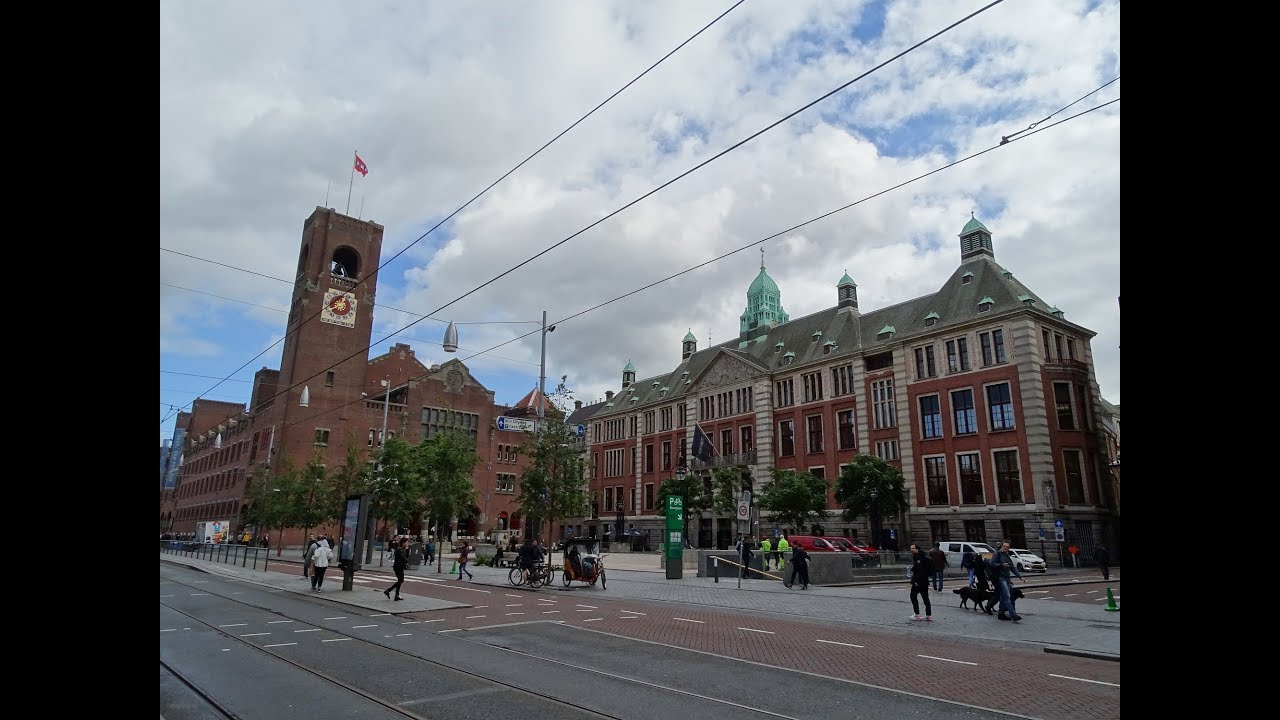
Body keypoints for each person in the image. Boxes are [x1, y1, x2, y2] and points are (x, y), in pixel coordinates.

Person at [989, 541, 1022, 621]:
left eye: (1007, 547)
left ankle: (1001, 614)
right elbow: (992, 563)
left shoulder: (1007, 555)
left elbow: (1012, 567)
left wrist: (1020, 576)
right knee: (1007, 596)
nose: (1006, 548)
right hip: (1000, 578)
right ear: (1002, 546)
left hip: (1007, 578)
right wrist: (1001, 565)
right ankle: (1013, 615)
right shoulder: (997, 554)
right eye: (1004, 546)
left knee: (1004, 596)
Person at [909, 543, 934, 621]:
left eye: (912, 548)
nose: (911, 550)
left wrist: (915, 580)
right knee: (925, 598)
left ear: (917, 549)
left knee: (913, 596)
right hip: (924, 581)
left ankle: (917, 614)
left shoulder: (918, 558)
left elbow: (920, 570)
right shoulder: (923, 557)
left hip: (919, 581)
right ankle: (928, 615)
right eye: (911, 548)